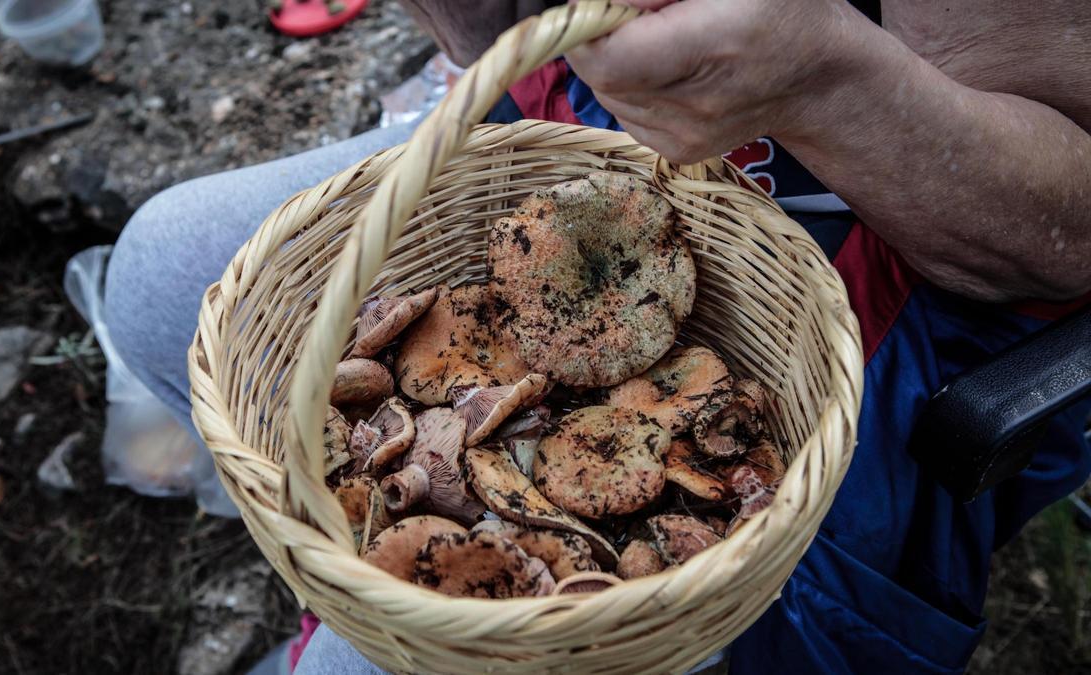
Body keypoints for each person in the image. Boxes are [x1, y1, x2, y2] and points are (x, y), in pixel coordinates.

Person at [104, 0, 1091, 672]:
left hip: (888, 271)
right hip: (593, 133)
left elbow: (1070, 238)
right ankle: (365, 544)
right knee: (157, 277)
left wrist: (822, 78)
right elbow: (500, 28)